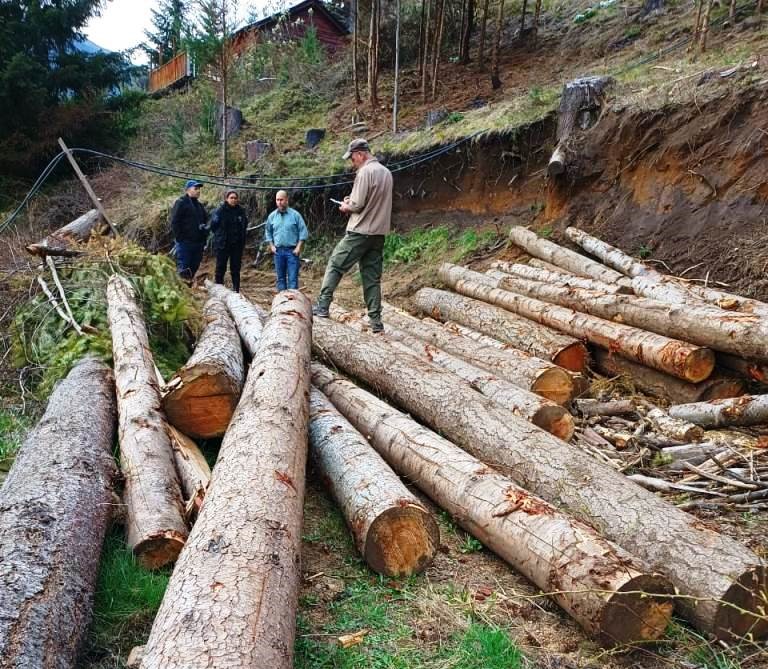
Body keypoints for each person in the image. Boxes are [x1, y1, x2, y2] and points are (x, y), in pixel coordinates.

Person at [313, 138, 393, 333]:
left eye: (352, 158)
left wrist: (345, 205)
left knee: (335, 263)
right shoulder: (386, 173)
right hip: (378, 234)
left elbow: (356, 205)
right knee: (371, 278)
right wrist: (353, 200)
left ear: (360, 154)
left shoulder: (365, 171)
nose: (352, 162)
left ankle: (322, 306)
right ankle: (376, 322)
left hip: (360, 232)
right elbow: (370, 200)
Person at [264, 190, 309, 291]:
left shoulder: (295, 215)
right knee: (280, 279)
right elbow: (268, 232)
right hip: (278, 251)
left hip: (292, 252)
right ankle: (282, 302)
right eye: (277, 200)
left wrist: (298, 247)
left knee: (293, 279)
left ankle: (293, 303)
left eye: (281, 200)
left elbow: (303, 232)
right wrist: (271, 246)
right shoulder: (272, 216)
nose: (279, 202)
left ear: (287, 200)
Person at [170, 180, 208, 282]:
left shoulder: (200, 206)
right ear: (188, 190)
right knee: (184, 268)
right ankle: (182, 290)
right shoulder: (181, 202)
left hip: (198, 244)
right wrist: (180, 238)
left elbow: (205, 223)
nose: (198, 191)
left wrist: (203, 240)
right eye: (195, 188)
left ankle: (189, 287)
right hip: (185, 243)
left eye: (199, 189)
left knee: (194, 267)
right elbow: (174, 221)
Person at [210, 190, 248, 292]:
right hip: (223, 244)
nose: (233, 200)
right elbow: (213, 226)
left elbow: (244, 225)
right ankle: (219, 288)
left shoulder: (241, 211)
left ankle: (236, 289)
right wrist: (220, 236)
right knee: (220, 267)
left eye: (235, 198)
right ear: (226, 199)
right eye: (231, 198)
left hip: (236, 245)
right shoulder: (220, 211)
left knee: (235, 269)